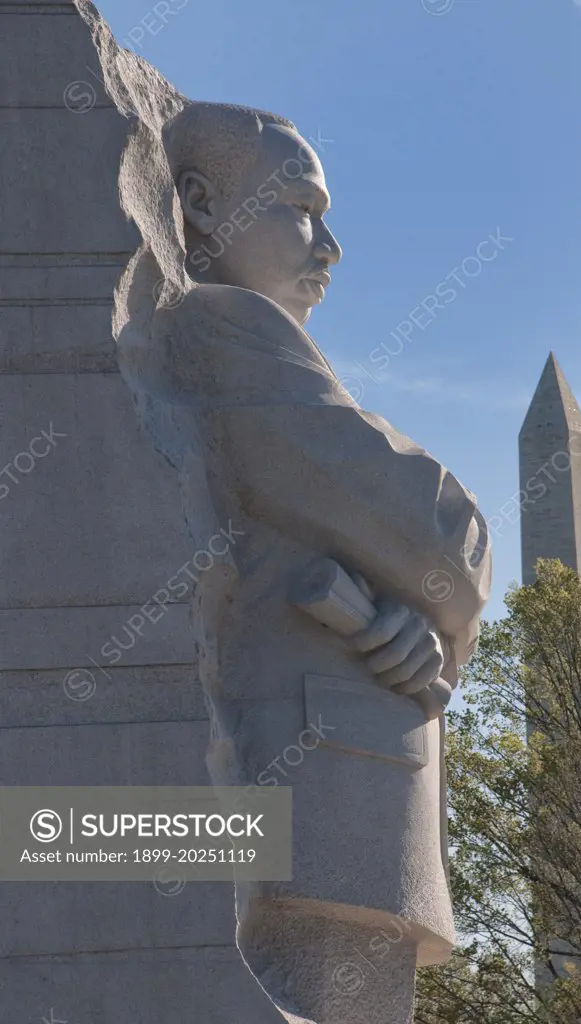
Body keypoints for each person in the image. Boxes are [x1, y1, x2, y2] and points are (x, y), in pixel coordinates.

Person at [77, 5, 491, 1020]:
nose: (332, 246)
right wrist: (433, 600)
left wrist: (409, 631)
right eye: (301, 208)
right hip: (304, 815)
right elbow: (441, 536)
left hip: (314, 811)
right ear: (203, 208)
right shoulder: (227, 336)